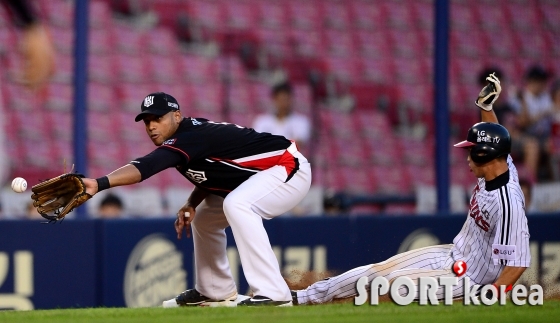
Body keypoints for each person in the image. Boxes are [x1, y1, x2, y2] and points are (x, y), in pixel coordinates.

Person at [291, 74, 530, 305]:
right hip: (451, 257)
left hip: (470, 281)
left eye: (471, 150)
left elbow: (518, 263)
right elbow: (497, 137)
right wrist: (485, 105)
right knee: (377, 273)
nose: (467, 157)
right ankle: (303, 297)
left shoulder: (508, 202)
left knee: (395, 284)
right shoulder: (499, 164)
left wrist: (492, 296)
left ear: (484, 153)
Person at [80, 92, 311, 307]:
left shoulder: (190, 136)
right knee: (204, 218)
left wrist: (99, 183)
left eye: (158, 118)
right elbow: (211, 173)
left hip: (288, 167)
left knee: (238, 204)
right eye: (147, 121)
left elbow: (147, 166)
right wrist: (192, 202)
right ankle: (215, 290)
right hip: (258, 177)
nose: (151, 126)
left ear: (177, 116)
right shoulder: (186, 137)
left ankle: (274, 293)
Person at [252, 82, 311, 151]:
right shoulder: (262, 121)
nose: (283, 103)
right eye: (281, 99)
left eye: (286, 99)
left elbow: (298, 143)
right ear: (274, 100)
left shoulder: (301, 121)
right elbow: (257, 143)